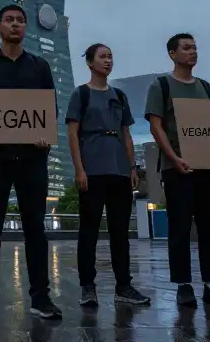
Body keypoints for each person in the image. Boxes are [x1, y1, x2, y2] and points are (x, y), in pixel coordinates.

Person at [0, 4, 62, 321]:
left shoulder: (40, 67)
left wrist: (44, 136)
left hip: (32, 159)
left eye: (21, 20)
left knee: (36, 229)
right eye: (9, 20)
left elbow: (51, 110)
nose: (16, 25)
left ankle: (40, 297)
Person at [144, 33, 210, 309]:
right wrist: (174, 159)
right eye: (186, 48)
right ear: (172, 54)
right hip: (178, 169)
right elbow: (156, 126)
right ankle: (183, 285)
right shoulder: (162, 85)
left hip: (207, 167)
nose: (193, 52)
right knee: (179, 226)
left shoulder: (206, 88)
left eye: (195, 48)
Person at [66, 43, 151, 308]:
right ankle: (87, 286)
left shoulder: (120, 96)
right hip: (92, 170)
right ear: (90, 63)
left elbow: (126, 133)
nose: (107, 61)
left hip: (119, 171)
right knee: (88, 231)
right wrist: (79, 169)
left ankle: (123, 286)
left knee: (120, 232)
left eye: (110, 57)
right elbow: (72, 133)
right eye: (102, 57)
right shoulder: (80, 94)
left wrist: (132, 167)